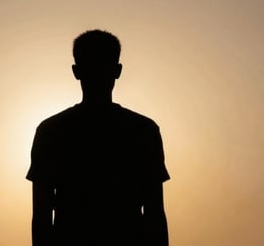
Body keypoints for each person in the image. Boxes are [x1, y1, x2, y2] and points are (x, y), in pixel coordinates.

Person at [26, 30, 170, 246]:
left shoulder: (51, 130)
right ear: (118, 70)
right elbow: (154, 212)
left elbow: (42, 215)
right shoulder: (142, 129)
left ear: (76, 71)